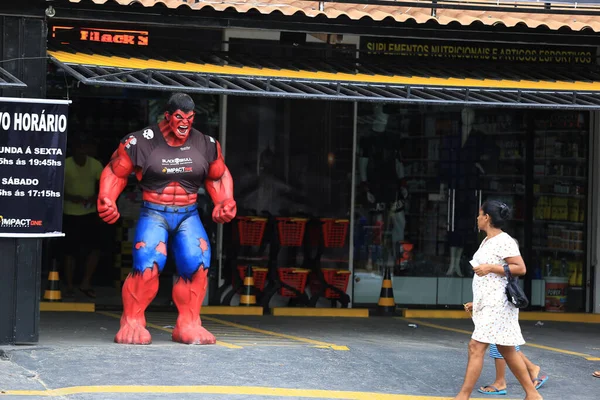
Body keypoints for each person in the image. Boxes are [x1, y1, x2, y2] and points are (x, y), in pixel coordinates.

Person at [97, 93, 236, 345]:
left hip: (188, 213)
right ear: (168, 116)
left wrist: (224, 201)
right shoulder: (140, 142)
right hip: (154, 211)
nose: (185, 125)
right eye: (180, 118)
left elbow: (218, 175)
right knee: (148, 262)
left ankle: (189, 323)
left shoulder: (205, 143)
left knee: (198, 262)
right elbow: (115, 171)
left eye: (190, 119)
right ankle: (132, 321)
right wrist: (107, 196)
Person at [453, 200, 542, 400]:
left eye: (479, 214)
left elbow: (520, 268)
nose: (477, 218)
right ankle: (532, 394)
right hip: (490, 303)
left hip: (499, 304)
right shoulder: (487, 241)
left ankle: (463, 396)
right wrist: (478, 303)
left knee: (476, 346)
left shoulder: (505, 241)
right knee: (507, 350)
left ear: (487, 217)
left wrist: (490, 268)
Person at [465, 303, 549, 395]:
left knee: (500, 342)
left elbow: (496, 291)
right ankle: (531, 368)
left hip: (498, 307)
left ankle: (500, 382)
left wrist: (478, 303)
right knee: (507, 346)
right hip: (500, 306)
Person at [62, 136, 104, 298]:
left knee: (95, 248)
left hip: (89, 212)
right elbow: (55, 188)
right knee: (69, 251)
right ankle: (70, 285)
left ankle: (86, 282)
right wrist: (70, 197)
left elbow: (103, 186)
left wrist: (96, 197)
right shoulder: (66, 165)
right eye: (78, 148)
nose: (81, 151)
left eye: (84, 148)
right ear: (73, 150)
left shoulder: (95, 164)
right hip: (69, 212)